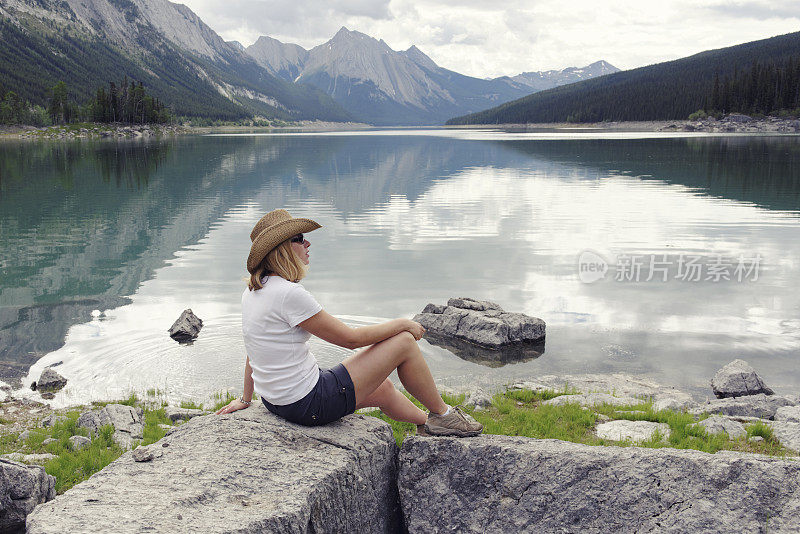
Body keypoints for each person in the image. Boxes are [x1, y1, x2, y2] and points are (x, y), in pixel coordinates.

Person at [215, 208, 482, 437]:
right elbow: (350, 339)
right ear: (283, 249)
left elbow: (253, 350)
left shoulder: (254, 291)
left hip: (278, 402)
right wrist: (403, 324)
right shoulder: (288, 294)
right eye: (299, 239)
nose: (307, 244)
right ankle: (443, 414)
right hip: (310, 404)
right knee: (403, 344)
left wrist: (246, 399)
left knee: (383, 387)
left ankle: (428, 424)